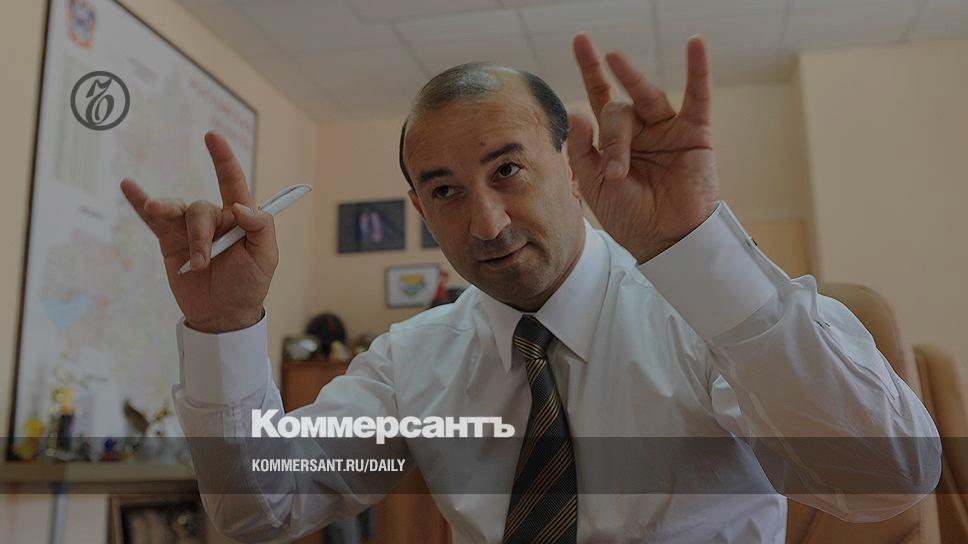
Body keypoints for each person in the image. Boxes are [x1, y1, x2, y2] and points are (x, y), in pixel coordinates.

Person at [120, 34, 941, 543]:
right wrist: (226, 329)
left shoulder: (700, 314)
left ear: (572, 167)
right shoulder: (413, 360)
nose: (485, 223)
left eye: (507, 170)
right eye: (445, 191)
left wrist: (698, 252)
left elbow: (889, 484)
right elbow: (261, 511)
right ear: (419, 210)